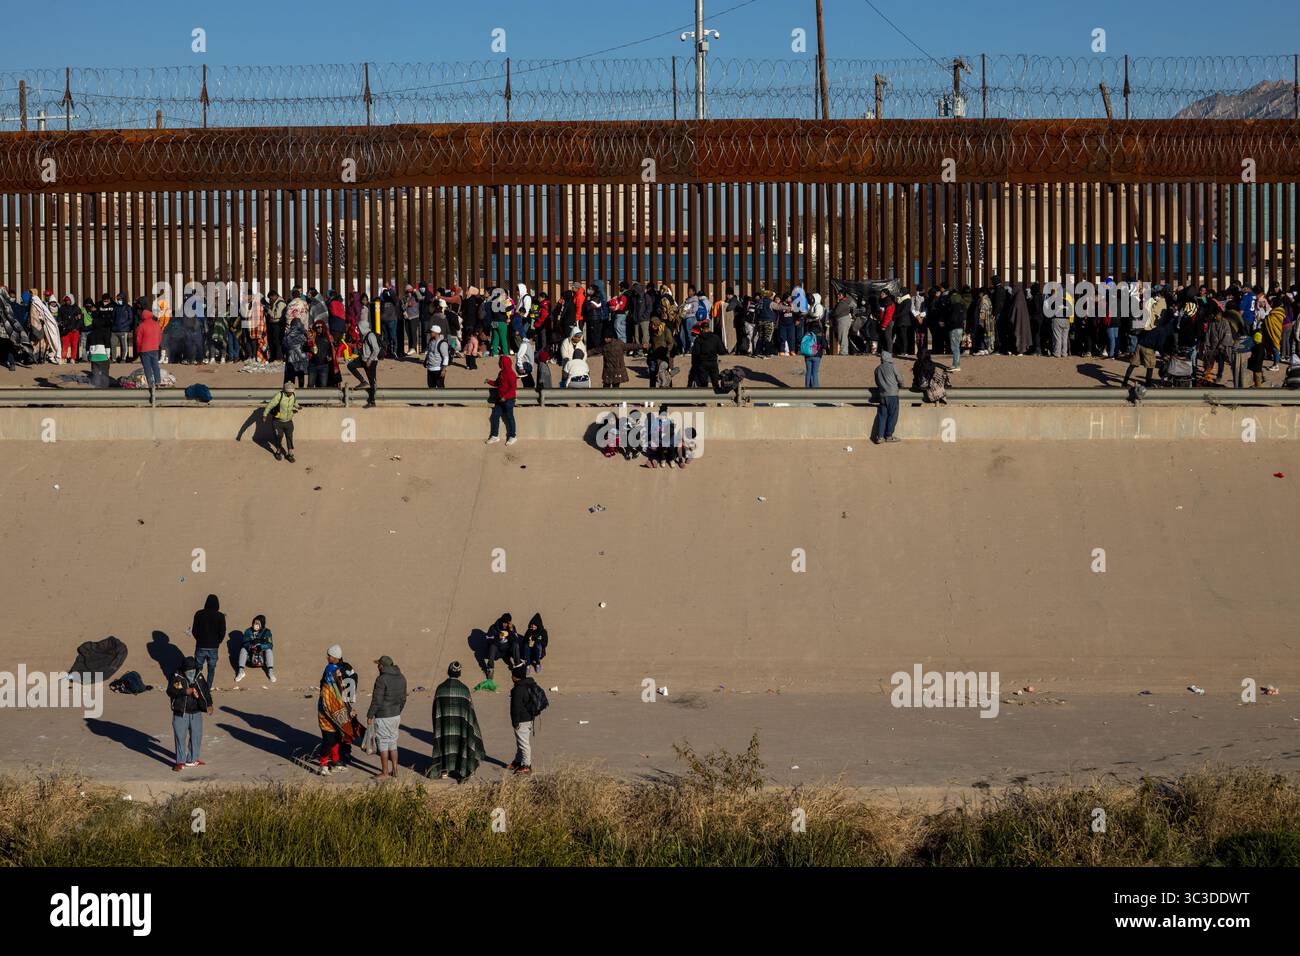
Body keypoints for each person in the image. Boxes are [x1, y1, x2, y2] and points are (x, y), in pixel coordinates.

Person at [429, 662, 486, 782]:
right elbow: (470, 711)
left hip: (444, 723)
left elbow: (435, 709)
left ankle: (443, 770)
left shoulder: (440, 688)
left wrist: (438, 722)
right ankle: (462, 770)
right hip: (460, 725)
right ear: (459, 673)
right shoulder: (464, 690)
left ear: (448, 671)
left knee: (444, 743)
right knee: (460, 744)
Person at [317, 644, 361, 775]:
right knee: (328, 739)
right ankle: (323, 765)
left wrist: (348, 708)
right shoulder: (331, 669)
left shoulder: (334, 670)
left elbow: (340, 691)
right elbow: (335, 691)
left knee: (337, 737)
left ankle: (335, 762)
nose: (327, 657)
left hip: (337, 710)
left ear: (335, 657)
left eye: (329, 655)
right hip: (326, 710)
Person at [167, 655, 213, 772]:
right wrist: (185, 691)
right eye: (189, 671)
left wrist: (209, 704)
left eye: (193, 670)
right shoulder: (176, 676)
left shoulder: (199, 675)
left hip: (196, 711)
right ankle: (180, 762)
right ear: (184, 670)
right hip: (180, 712)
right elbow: (170, 691)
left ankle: (192, 759)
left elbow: (206, 691)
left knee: (196, 735)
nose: (191, 672)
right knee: (180, 736)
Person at [366, 655, 407, 780]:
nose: (378, 667)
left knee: (383, 744)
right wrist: (398, 711)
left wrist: (370, 714)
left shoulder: (381, 679)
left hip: (383, 716)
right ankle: (395, 770)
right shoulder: (401, 677)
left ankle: (384, 772)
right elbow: (403, 698)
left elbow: (377, 700)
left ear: (382, 666)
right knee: (393, 743)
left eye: (379, 664)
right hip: (395, 715)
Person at [509, 666, 547, 775]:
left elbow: (515, 707)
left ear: (516, 677)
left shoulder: (518, 689)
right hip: (528, 718)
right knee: (520, 742)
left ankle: (526, 765)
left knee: (524, 743)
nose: (511, 677)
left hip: (522, 720)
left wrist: (515, 722)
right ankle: (518, 761)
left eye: (513, 675)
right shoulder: (527, 684)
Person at [191, 594, 225, 688]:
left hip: (201, 645)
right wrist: (217, 642)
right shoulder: (220, 616)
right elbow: (222, 632)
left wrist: (199, 639)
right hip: (213, 647)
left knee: (198, 668)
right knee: (211, 669)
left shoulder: (199, 614)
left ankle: (196, 687)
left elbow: (194, 630)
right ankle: (208, 688)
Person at [262, 381, 300, 463]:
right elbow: (270, 405)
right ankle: (278, 451)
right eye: (288, 392)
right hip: (278, 422)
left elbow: (294, 402)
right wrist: (265, 415)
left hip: (288, 421)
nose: (290, 394)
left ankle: (290, 453)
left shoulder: (293, 395)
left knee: (289, 436)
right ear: (285, 391)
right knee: (279, 436)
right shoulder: (279, 395)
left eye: (291, 392)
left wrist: (298, 406)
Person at [486, 355, 518, 445]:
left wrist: (505, 397)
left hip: (509, 400)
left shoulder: (511, 374)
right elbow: (497, 383)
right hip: (500, 400)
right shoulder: (501, 373)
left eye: (500, 362)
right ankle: (495, 436)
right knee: (495, 416)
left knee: (509, 417)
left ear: (503, 363)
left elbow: (513, 388)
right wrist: (489, 381)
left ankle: (513, 436)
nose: (499, 363)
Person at [348, 318, 380, 407]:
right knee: (350, 365)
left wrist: (370, 360)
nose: (357, 329)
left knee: (372, 381)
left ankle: (372, 401)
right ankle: (362, 381)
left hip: (371, 361)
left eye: (358, 327)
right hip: (363, 359)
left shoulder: (370, 336)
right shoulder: (364, 335)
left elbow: (376, 349)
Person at [873, 351, 903, 444]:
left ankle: (880, 437)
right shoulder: (892, 366)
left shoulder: (877, 369)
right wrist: (900, 385)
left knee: (882, 416)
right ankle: (889, 435)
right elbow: (900, 379)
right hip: (893, 395)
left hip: (882, 395)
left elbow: (877, 383)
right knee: (893, 415)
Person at [236, 614, 275, 683]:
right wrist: (250, 646)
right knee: (243, 649)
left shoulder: (267, 632)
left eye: (258, 623)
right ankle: (241, 671)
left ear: (262, 624)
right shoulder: (248, 631)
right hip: (250, 657)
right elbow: (244, 642)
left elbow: (270, 644)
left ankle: (270, 672)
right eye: (254, 623)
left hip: (262, 657)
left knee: (269, 650)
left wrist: (261, 647)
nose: (255, 625)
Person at [689, 319, 724, 390]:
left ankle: (704, 399)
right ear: (709, 328)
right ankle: (717, 399)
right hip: (713, 363)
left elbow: (696, 353)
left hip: (702, 364)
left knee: (703, 383)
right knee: (715, 382)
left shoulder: (698, 339)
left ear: (701, 329)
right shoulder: (716, 338)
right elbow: (722, 351)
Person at [483, 613, 519, 680]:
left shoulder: (511, 627)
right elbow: (488, 640)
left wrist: (511, 631)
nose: (505, 625)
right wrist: (498, 637)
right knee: (493, 646)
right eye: (504, 623)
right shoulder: (493, 628)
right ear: (501, 621)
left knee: (516, 645)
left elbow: (516, 640)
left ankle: (517, 665)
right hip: (497, 651)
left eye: (507, 623)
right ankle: (490, 668)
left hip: (507, 651)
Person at [135, 308, 162, 394]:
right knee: (155, 366)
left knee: (147, 367)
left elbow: (138, 340)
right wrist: (157, 344)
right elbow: (160, 337)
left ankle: (150, 383)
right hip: (155, 348)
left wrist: (138, 350)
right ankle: (158, 382)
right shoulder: (157, 324)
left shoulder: (141, 326)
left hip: (144, 349)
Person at [799, 319, 828, 388]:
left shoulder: (807, 333)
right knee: (814, 372)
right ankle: (816, 388)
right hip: (817, 355)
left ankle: (807, 387)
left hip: (807, 355)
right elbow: (825, 345)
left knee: (808, 372)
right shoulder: (820, 334)